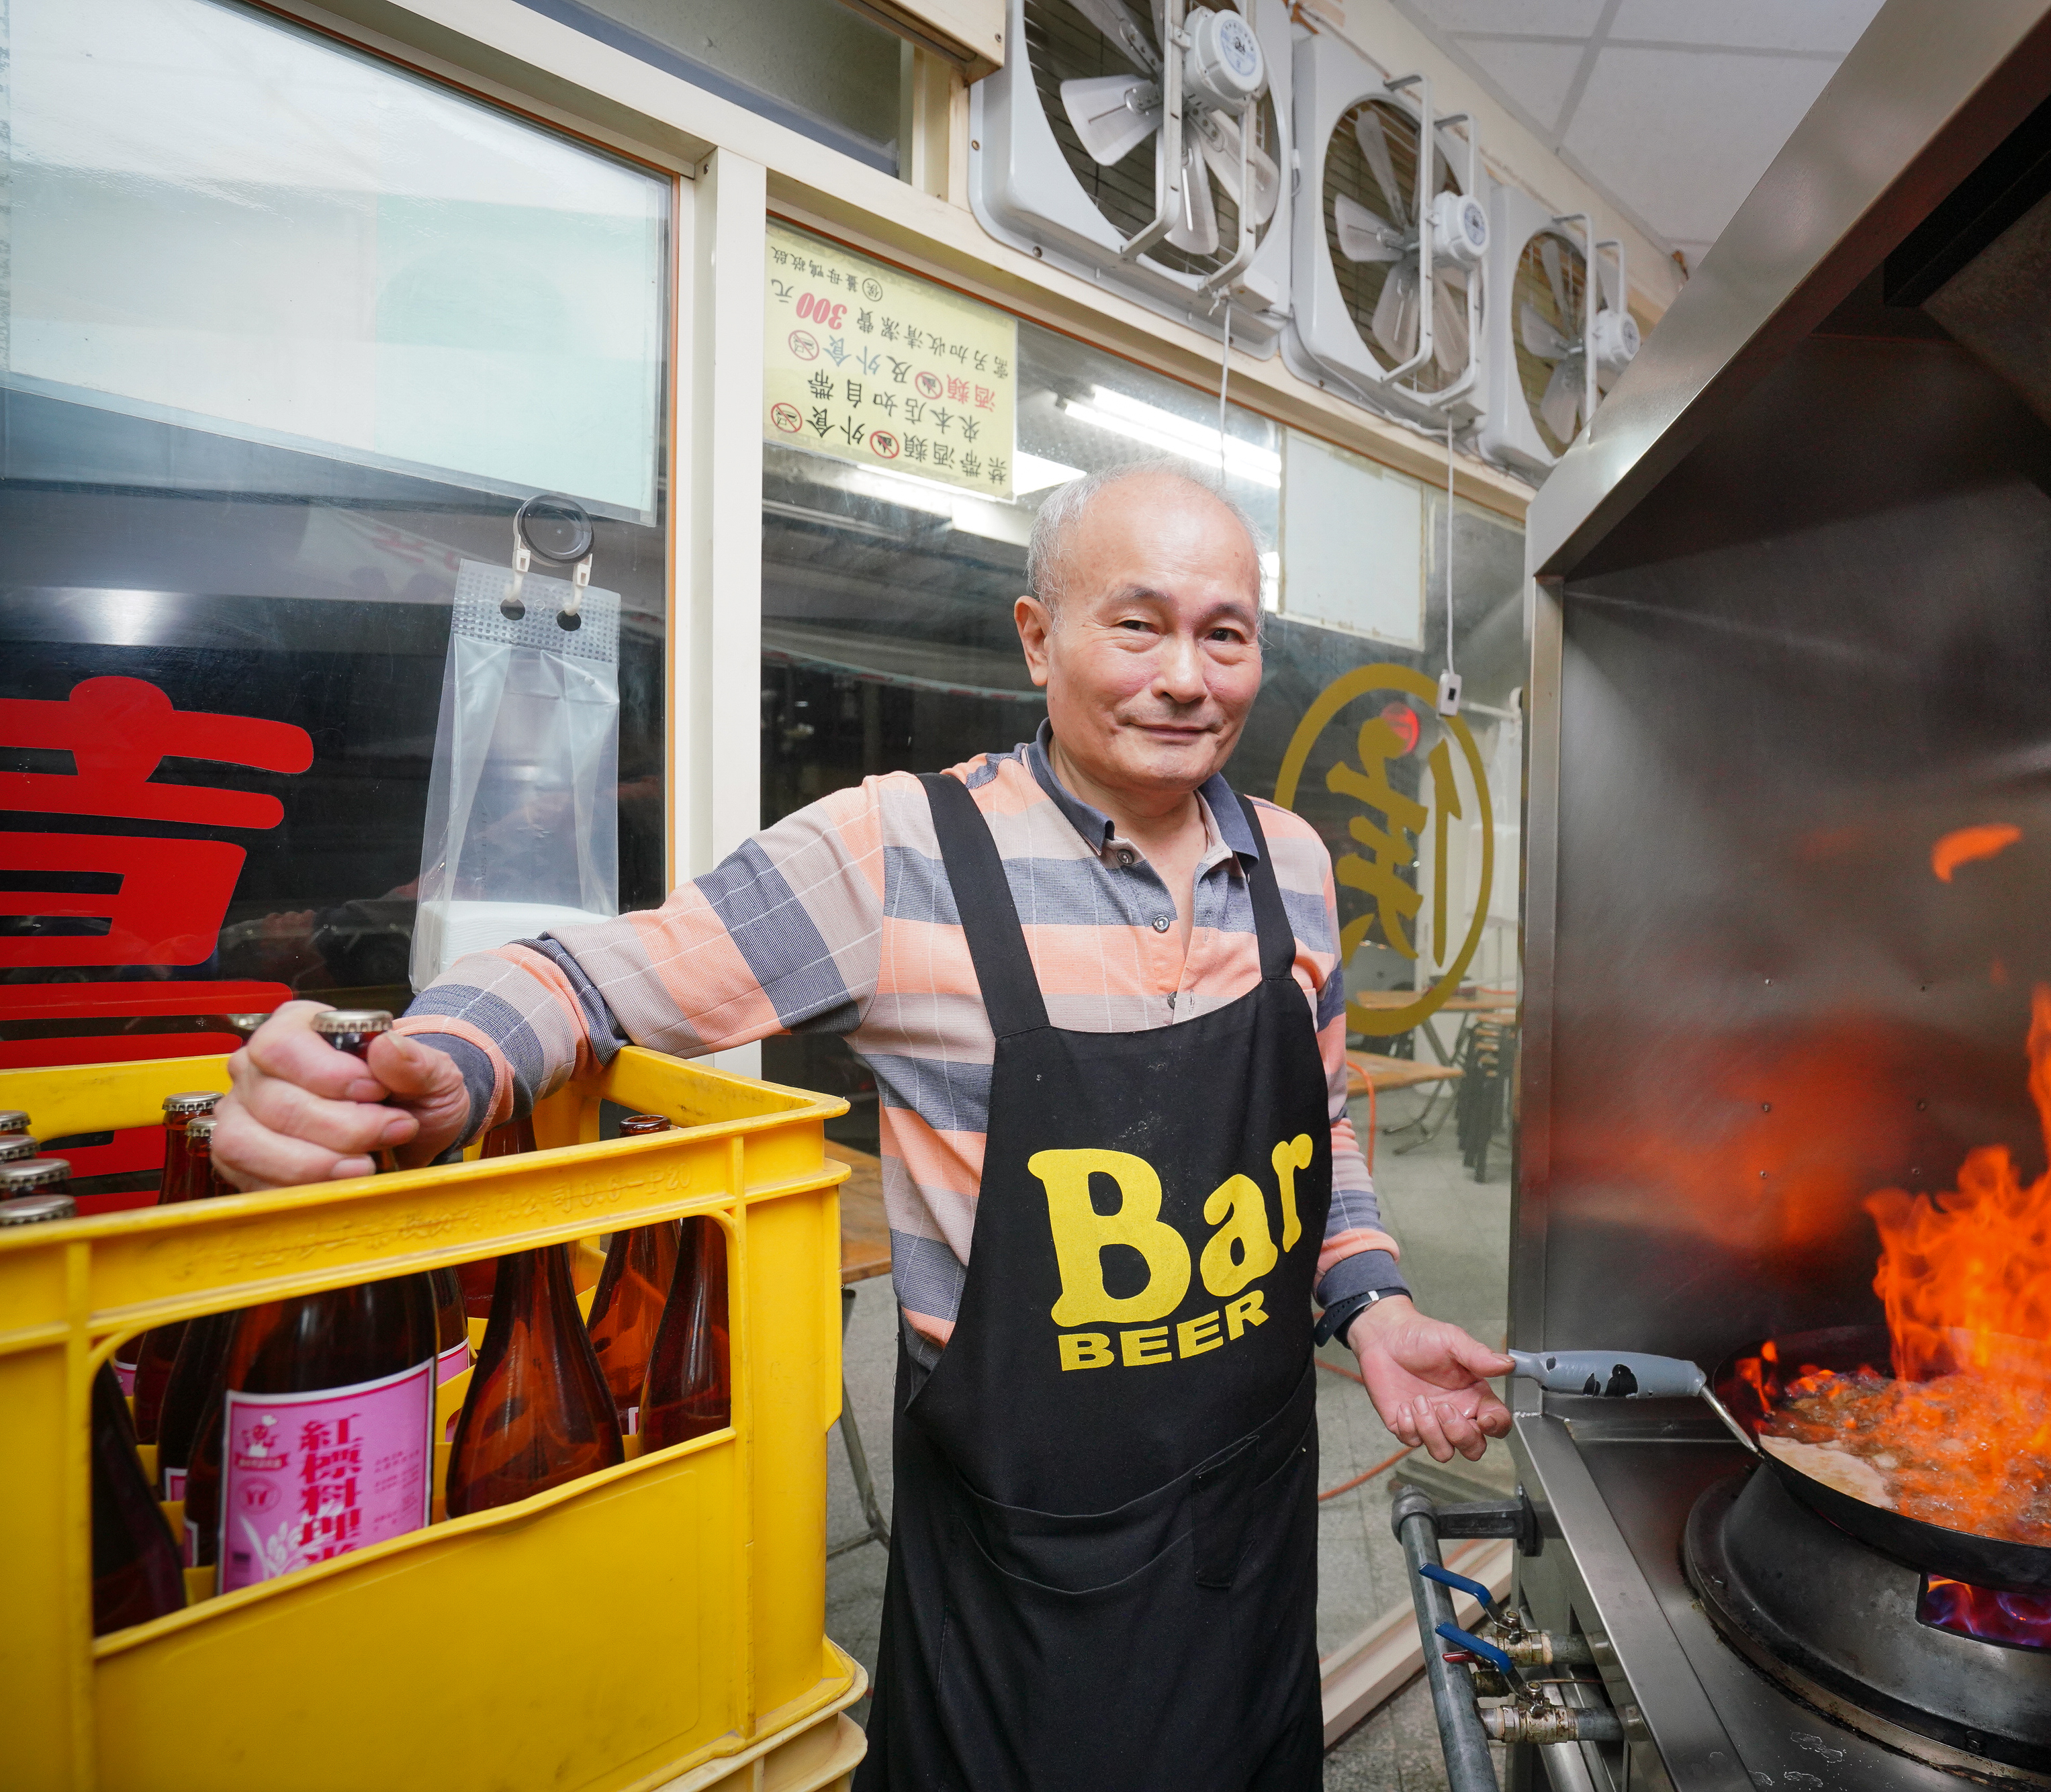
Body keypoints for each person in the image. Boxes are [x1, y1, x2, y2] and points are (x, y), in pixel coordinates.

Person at [212, 461, 1514, 1790]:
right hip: (1020, 1554)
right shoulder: (901, 855)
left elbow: (1320, 1136)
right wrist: (430, 1057)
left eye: (1223, 633)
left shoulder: (1292, 861)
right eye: (1137, 624)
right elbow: (590, 975)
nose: (1186, 675)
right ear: (1036, 638)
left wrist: (1373, 1306)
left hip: (1247, 1511)